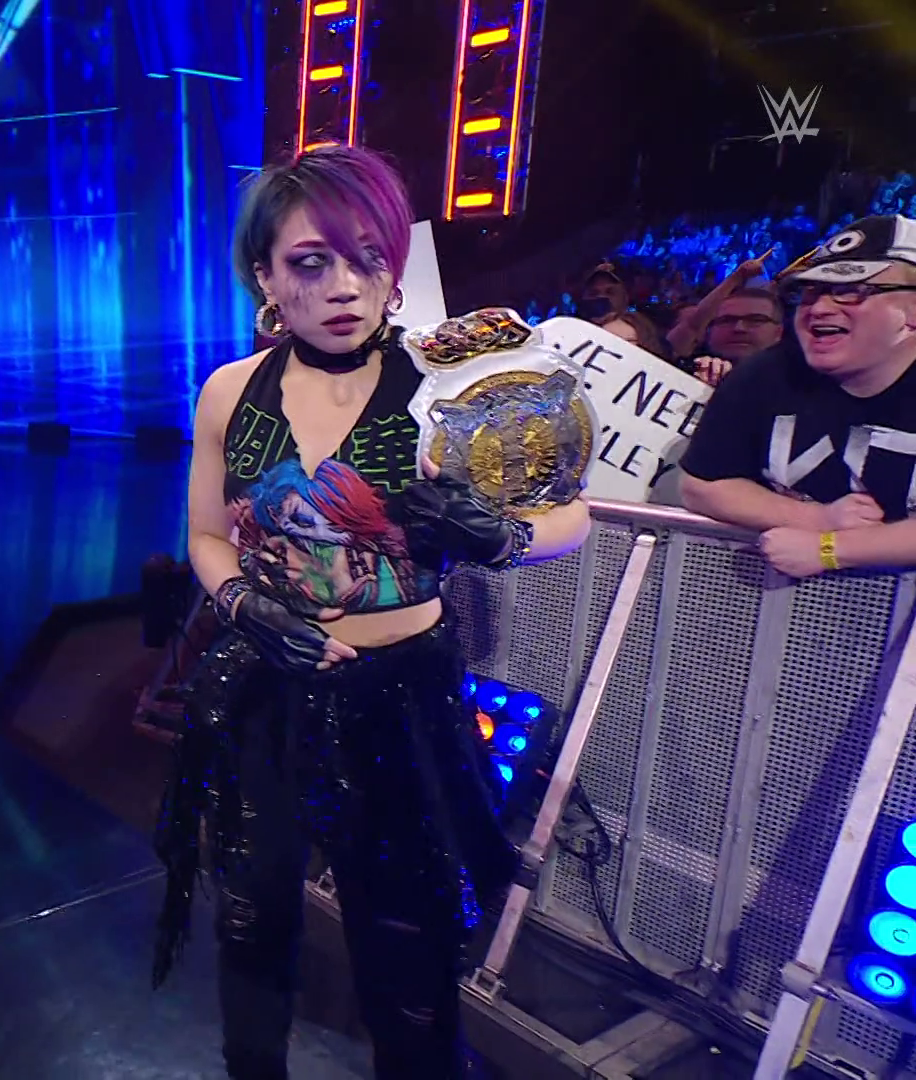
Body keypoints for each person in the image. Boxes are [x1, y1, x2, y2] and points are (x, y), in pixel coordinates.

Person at [153, 145, 591, 1080]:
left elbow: (574, 517)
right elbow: (206, 536)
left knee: (409, 945)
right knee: (251, 921)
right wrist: (242, 603)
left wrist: (502, 537)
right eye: (311, 262)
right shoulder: (231, 390)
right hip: (268, 688)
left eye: (367, 257)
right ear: (266, 276)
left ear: (395, 267)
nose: (344, 286)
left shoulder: (452, 389)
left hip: (403, 701)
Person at [680, 214, 916, 576]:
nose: (819, 308)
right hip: (776, 603)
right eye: (810, 292)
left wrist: (832, 550)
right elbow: (701, 486)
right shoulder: (766, 374)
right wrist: (818, 518)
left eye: (851, 290)